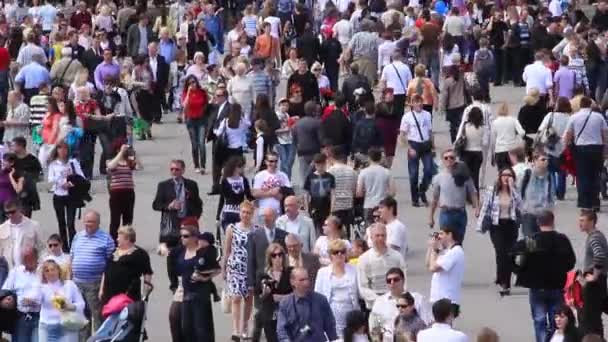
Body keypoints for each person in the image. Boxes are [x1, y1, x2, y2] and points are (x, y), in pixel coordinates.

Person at [513, 210, 575, 342]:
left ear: (538, 223)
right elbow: (571, 262)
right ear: (553, 221)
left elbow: (514, 256)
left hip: (537, 287)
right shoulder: (561, 239)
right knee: (556, 320)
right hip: (556, 285)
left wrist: (520, 271)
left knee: (539, 320)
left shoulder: (532, 241)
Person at [168, 225, 220, 342]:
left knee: (201, 329)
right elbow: (171, 262)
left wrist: (204, 278)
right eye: (181, 236)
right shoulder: (180, 251)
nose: (182, 238)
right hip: (185, 292)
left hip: (200, 294)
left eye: (185, 236)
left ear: (194, 237)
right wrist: (174, 284)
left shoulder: (202, 252)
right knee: (186, 328)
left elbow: (217, 269)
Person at [69, 210, 114, 339]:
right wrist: (68, 281)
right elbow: (71, 257)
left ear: (98, 223)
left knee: (98, 317)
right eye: (86, 221)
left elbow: (110, 264)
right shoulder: (78, 236)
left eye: (92, 222)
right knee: (81, 318)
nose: (88, 224)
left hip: (95, 284)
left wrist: (103, 287)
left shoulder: (106, 239)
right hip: (77, 283)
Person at [477, 168, 522, 295]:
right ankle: (505, 284)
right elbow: (486, 207)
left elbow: (521, 206)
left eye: (509, 175)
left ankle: (502, 276)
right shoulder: (492, 190)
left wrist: (512, 189)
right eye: (504, 175)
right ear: (499, 177)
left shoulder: (515, 190)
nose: (506, 178)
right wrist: (480, 225)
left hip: (511, 225)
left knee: (509, 253)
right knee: (501, 252)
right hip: (496, 225)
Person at [247, 207, 288, 341]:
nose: (266, 218)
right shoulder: (254, 235)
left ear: (276, 217)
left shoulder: (283, 234)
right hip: (261, 280)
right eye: (264, 216)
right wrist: (251, 283)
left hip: (280, 279)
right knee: (262, 311)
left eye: (269, 216)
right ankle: (262, 333)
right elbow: (251, 260)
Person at [562, 96, 607, 211]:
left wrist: (566, 147)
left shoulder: (574, 117)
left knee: (582, 177)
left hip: (581, 149)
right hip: (597, 148)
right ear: (590, 105)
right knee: (595, 175)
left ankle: (584, 202)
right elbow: (605, 135)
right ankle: (595, 201)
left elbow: (568, 135)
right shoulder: (599, 117)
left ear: (580, 105)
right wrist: (605, 151)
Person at [152, 159, 203, 251]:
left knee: (189, 251)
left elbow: (198, 203)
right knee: (170, 253)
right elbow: (156, 205)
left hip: (187, 222)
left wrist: (195, 217)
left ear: (183, 170)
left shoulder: (191, 185)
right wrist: (169, 206)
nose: (174, 172)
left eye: (177, 169)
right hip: (171, 225)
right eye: (172, 169)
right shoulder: (163, 185)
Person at [223, 200, 256, 341]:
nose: (245, 215)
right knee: (236, 298)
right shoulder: (232, 228)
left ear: (252, 214)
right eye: (243, 212)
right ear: (239, 213)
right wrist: (224, 268)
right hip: (235, 266)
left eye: (248, 212)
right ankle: (236, 330)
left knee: (248, 298)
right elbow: (227, 250)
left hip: (249, 268)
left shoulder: (256, 229)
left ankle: (245, 328)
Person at [429, 149, 480, 241]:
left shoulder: (464, 175)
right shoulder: (438, 178)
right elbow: (435, 199)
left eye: (451, 157)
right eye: (446, 158)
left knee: (459, 243)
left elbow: (473, 192)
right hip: (446, 213)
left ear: (455, 159)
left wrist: (477, 208)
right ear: (442, 160)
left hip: (461, 213)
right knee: (446, 242)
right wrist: (431, 217)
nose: (449, 159)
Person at [276, 267, 338, 342]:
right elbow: (282, 331)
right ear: (292, 282)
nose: (306, 283)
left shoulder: (321, 300)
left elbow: (330, 327)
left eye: (307, 279)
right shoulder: (285, 304)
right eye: (302, 280)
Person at [369, 268, 430, 342]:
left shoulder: (417, 299)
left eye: (396, 279)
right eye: (389, 281)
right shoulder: (380, 302)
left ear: (403, 280)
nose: (392, 283)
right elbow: (374, 326)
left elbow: (426, 323)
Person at [314, 239, 360, 338]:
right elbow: (317, 296)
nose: (339, 254)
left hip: (351, 313)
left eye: (342, 252)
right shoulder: (322, 272)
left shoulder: (354, 269)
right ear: (330, 255)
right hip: (331, 313)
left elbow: (359, 292)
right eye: (336, 252)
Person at [358, 223, 407, 310]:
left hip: (396, 304)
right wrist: (381, 300)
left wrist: (398, 298)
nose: (380, 238)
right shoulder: (364, 259)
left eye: (383, 235)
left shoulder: (397, 257)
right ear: (371, 237)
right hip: (374, 306)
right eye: (377, 235)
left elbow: (405, 281)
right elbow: (363, 287)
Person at [99, 226, 152, 305]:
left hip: (128, 296)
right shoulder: (114, 252)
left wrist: (145, 294)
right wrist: (101, 289)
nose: (117, 239)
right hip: (108, 295)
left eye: (119, 237)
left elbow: (147, 273)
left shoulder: (140, 254)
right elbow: (106, 271)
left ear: (127, 239)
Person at [47, 142, 84, 252]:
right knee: (61, 222)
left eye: (65, 149)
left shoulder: (73, 163)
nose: (63, 152)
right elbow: (50, 179)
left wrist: (72, 183)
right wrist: (61, 182)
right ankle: (64, 246)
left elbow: (81, 176)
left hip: (71, 195)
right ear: (57, 151)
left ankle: (73, 246)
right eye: (60, 149)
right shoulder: (53, 164)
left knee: (70, 223)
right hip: (58, 195)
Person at [37, 259, 85, 342]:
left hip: (67, 326)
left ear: (58, 270)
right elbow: (36, 300)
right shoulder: (41, 288)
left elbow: (82, 304)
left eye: (53, 269)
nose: (50, 273)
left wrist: (71, 307)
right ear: (44, 274)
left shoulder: (69, 285)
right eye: (47, 271)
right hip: (47, 327)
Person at [577, 210, 608, 336]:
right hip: (598, 282)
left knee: (590, 319)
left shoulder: (594, 237)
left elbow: (599, 255)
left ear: (592, 222)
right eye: (579, 220)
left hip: (594, 285)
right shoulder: (596, 236)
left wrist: (594, 276)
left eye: (583, 220)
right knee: (594, 318)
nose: (580, 223)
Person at [400, 95, 433, 207]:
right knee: (413, 173)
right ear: (412, 104)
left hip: (425, 145)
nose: (419, 104)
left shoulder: (427, 115)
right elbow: (402, 135)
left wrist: (432, 145)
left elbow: (429, 131)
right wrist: (409, 148)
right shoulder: (407, 117)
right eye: (416, 102)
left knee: (429, 170)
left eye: (420, 102)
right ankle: (415, 198)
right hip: (413, 144)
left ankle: (422, 189)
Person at [1, 248, 41, 342]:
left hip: (40, 317)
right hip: (21, 317)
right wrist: (6, 300)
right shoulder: (15, 272)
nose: (26, 262)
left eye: (29, 259)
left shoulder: (43, 271)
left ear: (36, 258)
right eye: (24, 259)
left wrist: (37, 301)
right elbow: (5, 290)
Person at [255, 243, 293, 342]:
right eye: (274, 255)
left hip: (287, 315)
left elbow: (297, 293)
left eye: (280, 254)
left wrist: (281, 297)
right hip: (270, 315)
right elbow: (258, 298)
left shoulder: (290, 272)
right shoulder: (262, 275)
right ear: (269, 258)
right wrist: (265, 294)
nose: (277, 258)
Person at [426, 225, 465, 316]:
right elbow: (428, 264)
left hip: (447, 299)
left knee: (444, 327)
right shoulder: (446, 251)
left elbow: (433, 268)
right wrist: (431, 247)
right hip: (440, 298)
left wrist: (435, 250)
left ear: (450, 235)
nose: (439, 237)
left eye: (441, 234)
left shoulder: (455, 252)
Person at [536, 97, 571, 200]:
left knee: (550, 170)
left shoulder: (550, 116)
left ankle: (552, 190)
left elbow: (541, 129)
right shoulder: (569, 118)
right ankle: (561, 193)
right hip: (563, 147)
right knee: (562, 171)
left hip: (550, 145)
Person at [520, 152, 555, 237]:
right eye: (543, 160)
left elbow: (551, 195)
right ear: (535, 161)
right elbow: (520, 193)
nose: (546, 162)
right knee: (530, 241)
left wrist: (550, 211)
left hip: (544, 214)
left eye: (547, 160)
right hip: (529, 213)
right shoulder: (528, 174)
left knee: (542, 241)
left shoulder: (549, 176)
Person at [106, 144, 137, 241]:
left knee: (128, 219)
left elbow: (139, 166)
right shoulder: (111, 160)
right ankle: (113, 242)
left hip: (129, 193)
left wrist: (135, 155)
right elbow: (111, 166)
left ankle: (127, 240)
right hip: (116, 193)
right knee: (115, 219)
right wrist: (121, 152)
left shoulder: (129, 161)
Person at [357, 148, 396, 224]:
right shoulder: (387, 172)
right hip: (382, 205)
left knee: (370, 231)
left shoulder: (363, 172)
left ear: (369, 158)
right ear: (381, 158)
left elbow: (359, 193)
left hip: (368, 205)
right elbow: (393, 192)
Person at [0, 199, 43, 269]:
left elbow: (43, 248)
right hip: (8, 271)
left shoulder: (34, 226)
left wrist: (39, 266)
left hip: (28, 270)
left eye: (12, 212)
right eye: (7, 213)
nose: (10, 215)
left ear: (20, 209)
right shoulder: (1, 228)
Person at [181, 75, 209, 174]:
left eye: (194, 82)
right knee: (194, 144)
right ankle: (196, 165)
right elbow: (184, 105)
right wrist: (188, 92)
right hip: (191, 120)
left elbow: (207, 103)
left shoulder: (201, 92)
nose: (192, 84)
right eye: (190, 83)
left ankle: (203, 166)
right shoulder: (185, 93)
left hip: (201, 120)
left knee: (202, 143)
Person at [217, 156, 253, 230]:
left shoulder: (244, 180)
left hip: (240, 213)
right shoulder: (225, 181)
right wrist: (217, 217)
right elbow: (222, 199)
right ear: (236, 168)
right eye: (242, 167)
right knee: (229, 235)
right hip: (228, 212)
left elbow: (249, 196)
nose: (243, 169)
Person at [304, 153, 335, 233]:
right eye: (318, 165)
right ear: (315, 164)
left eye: (322, 165)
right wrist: (307, 209)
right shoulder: (310, 177)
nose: (320, 167)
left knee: (325, 230)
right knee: (313, 229)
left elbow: (333, 194)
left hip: (326, 207)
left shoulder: (330, 177)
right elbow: (306, 194)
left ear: (325, 163)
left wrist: (332, 210)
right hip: (314, 206)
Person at [252, 152, 291, 216]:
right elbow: (255, 193)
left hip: (279, 212)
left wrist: (280, 194)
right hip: (263, 211)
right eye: (271, 161)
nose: (273, 163)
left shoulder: (283, 175)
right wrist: (272, 193)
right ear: (266, 162)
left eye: (275, 161)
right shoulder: (259, 176)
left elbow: (289, 193)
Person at [491, 103, 526, 170]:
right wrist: (515, 134)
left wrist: (493, 154)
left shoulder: (495, 122)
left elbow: (493, 139)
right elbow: (522, 133)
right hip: (512, 149)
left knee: (502, 173)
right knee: (513, 171)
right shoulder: (513, 120)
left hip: (500, 150)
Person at [439, 62, 468, 143]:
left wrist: (442, 107)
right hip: (461, 104)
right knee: (461, 124)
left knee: (452, 126)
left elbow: (445, 96)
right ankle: (462, 139)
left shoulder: (447, 82)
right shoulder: (461, 79)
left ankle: (454, 141)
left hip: (451, 107)